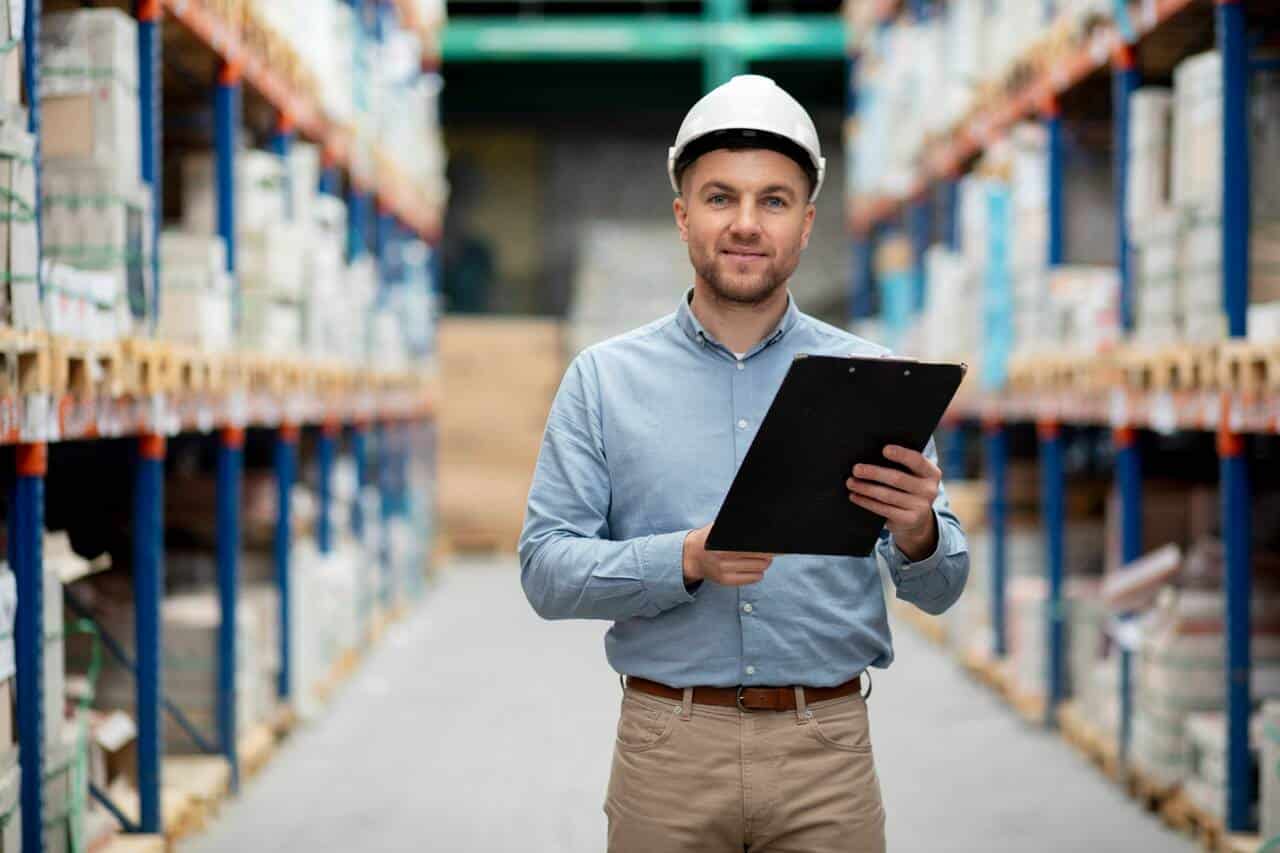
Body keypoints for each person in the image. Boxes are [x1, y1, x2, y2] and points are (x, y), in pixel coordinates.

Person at [519, 74, 969, 853]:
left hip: (825, 751)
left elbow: (942, 587)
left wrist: (920, 530)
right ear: (682, 213)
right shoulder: (605, 379)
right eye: (721, 197)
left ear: (806, 222)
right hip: (667, 750)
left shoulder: (873, 379)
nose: (746, 224)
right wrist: (683, 558)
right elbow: (546, 571)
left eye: (774, 200)